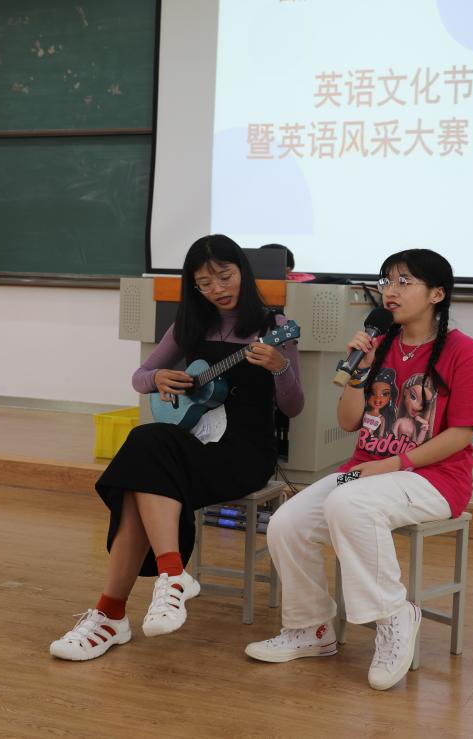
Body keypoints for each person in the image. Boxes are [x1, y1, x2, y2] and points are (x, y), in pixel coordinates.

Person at [244, 249, 473, 691]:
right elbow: (347, 422)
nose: (391, 291)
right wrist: (358, 370)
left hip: (433, 479)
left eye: (404, 282)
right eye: (386, 281)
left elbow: (461, 434)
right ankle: (312, 628)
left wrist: (395, 463)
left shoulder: (464, 352)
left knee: (349, 503)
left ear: (437, 294)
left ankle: (395, 615)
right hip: (364, 472)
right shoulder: (378, 346)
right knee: (287, 521)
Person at [50, 234, 304, 661]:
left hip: (244, 454)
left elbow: (294, 407)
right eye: (204, 283)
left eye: (224, 276)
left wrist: (280, 368)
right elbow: (140, 377)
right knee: (145, 448)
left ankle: (112, 613)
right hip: (196, 444)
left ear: (243, 272)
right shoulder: (190, 324)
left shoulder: (275, 328)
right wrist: (158, 379)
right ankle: (168, 577)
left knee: (140, 467)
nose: (217, 289)